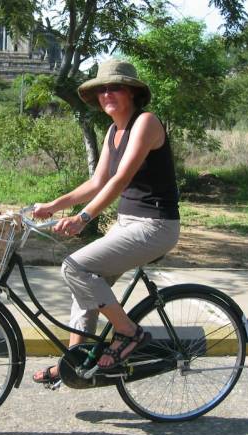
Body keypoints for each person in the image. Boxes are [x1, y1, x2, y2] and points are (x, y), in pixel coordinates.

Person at [32, 59, 181, 384]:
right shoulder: (114, 131)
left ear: (131, 93)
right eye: (101, 89)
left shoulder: (146, 123)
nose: (106, 94)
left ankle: (129, 334)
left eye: (114, 87)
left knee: (75, 267)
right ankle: (75, 364)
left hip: (155, 226)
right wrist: (54, 205)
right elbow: (98, 182)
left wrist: (84, 217)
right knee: (84, 285)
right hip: (129, 223)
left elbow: (120, 181)